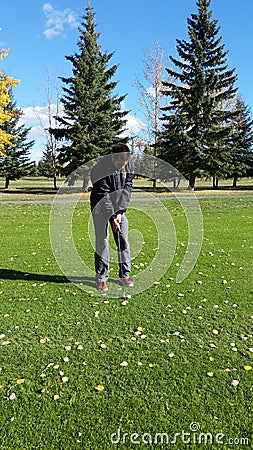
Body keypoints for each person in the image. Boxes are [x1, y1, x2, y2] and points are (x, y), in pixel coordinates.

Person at [90, 143, 134, 291]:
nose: (123, 166)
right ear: (113, 158)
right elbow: (104, 195)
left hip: (118, 208)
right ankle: (101, 278)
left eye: (126, 163)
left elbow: (127, 188)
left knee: (123, 239)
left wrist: (120, 212)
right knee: (102, 241)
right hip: (101, 207)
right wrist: (113, 216)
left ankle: (125, 275)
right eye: (121, 163)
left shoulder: (127, 165)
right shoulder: (99, 170)